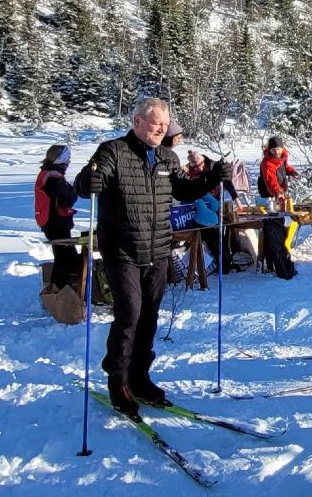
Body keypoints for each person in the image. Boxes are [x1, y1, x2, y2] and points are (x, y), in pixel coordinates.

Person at [76, 98, 229, 415]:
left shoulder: (166, 157)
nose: (162, 129)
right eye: (156, 123)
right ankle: (117, 378)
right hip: (122, 249)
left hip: (158, 248)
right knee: (129, 312)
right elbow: (88, 180)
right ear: (138, 123)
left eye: (165, 124)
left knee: (149, 316)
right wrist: (87, 182)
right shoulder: (112, 151)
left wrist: (212, 179)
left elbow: (184, 191)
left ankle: (140, 376)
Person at [34, 144, 85, 324]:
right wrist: (77, 186)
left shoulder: (49, 174)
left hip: (54, 222)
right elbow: (68, 198)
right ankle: (58, 295)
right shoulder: (53, 178)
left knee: (66, 257)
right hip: (55, 223)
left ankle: (62, 292)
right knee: (65, 259)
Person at [260, 136, 300, 210]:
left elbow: (285, 167)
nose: (276, 152)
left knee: (284, 211)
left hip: (279, 191)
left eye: (278, 149)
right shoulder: (267, 163)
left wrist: (292, 172)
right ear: (270, 150)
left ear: (282, 149)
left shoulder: (281, 158)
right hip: (270, 194)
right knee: (276, 215)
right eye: (273, 150)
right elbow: (271, 180)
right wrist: (278, 191)